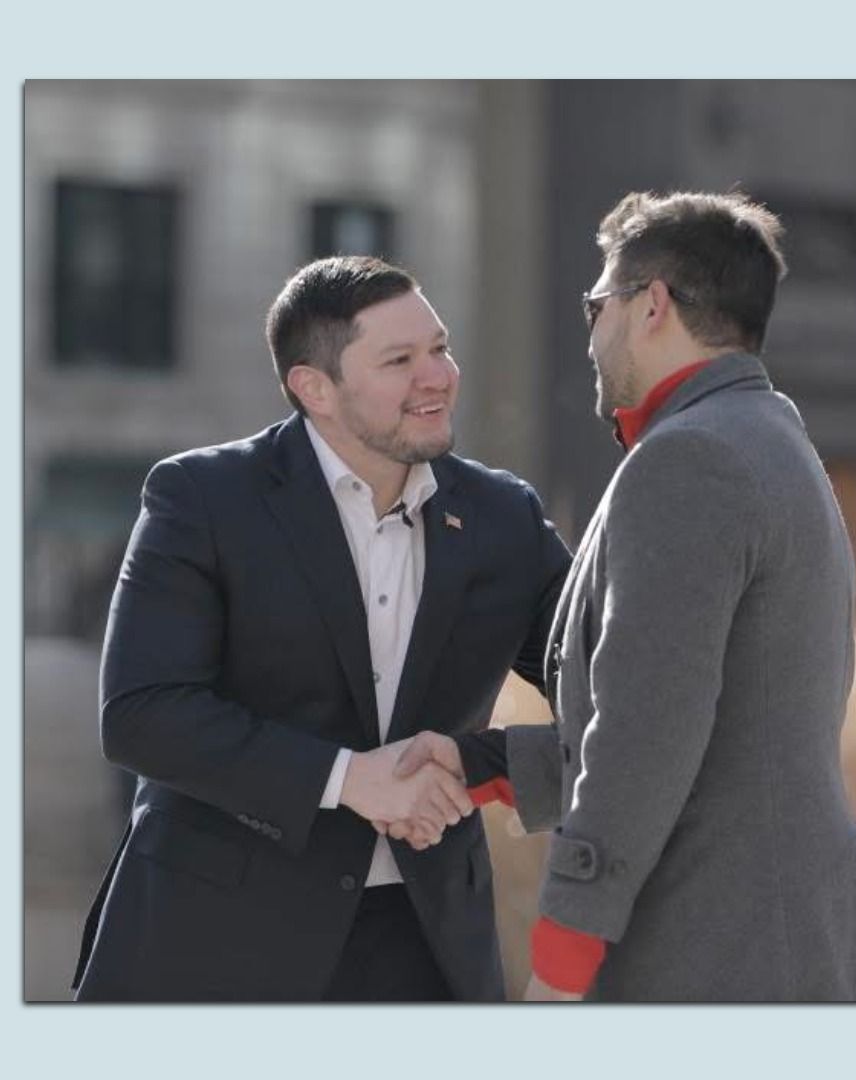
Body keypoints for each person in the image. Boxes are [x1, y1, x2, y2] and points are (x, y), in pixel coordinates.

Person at [402, 190, 856, 1002]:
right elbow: (716, 732)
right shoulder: (771, 437)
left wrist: (562, 963)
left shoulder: (688, 463)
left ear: (652, 306)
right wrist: (484, 764)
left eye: (596, 304)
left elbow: (644, 735)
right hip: (787, 946)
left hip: (721, 958)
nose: (592, 333)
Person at [72, 256, 571, 1000]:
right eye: (400, 360)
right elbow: (142, 716)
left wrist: (477, 762)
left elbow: (614, 691)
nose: (437, 376)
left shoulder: (506, 518)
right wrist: (348, 780)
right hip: (214, 946)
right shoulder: (202, 499)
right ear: (315, 388)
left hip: (425, 950)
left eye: (439, 348)